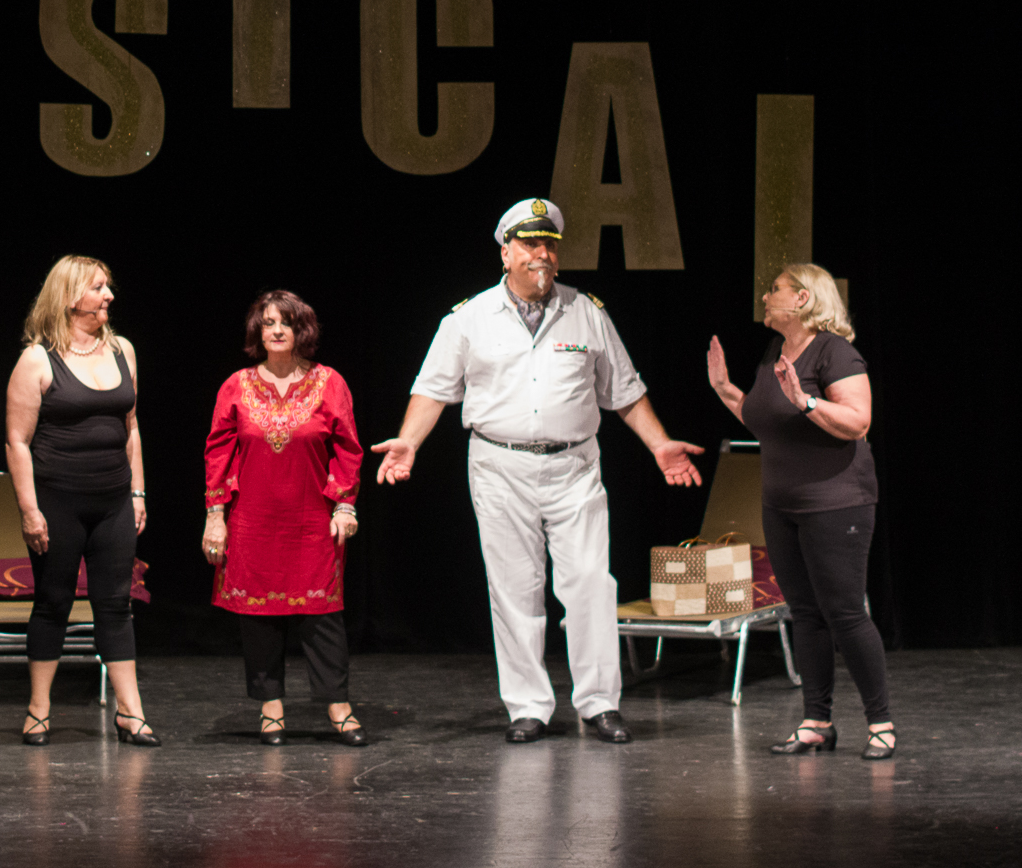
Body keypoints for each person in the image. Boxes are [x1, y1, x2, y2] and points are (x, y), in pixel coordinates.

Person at [372, 198, 703, 745]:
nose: (542, 253)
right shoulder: (468, 318)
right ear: (505, 253)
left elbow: (624, 391)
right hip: (499, 465)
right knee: (514, 588)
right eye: (529, 244)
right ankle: (528, 706)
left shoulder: (586, 311)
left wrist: (660, 444)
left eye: (549, 244)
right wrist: (409, 441)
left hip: (574, 465)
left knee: (591, 583)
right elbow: (432, 389)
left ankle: (599, 703)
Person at [707, 264, 893, 759]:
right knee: (805, 613)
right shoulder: (776, 351)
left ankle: (881, 723)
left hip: (836, 503)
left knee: (845, 613)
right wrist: (725, 389)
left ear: (804, 299)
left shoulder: (835, 352)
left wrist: (807, 401)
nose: (766, 297)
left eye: (776, 290)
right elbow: (766, 420)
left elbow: (858, 421)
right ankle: (816, 722)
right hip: (781, 504)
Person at [4, 255, 157, 746]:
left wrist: (137, 491)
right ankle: (38, 709)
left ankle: (130, 712)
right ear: (70, 297)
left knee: (115, 604)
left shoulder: (122, 350)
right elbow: (17, 441)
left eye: (107, 286)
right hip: (57, 502)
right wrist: (29, 510)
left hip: (114, 501)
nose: (109, 295)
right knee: (53, 602)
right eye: (98, 287)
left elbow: (131, 427)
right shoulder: (37, 359)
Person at [203, 290, 367, 746]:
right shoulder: (236, 386)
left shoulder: (328, 382)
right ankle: (270, 707)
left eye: (286, 323)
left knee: (322, 615)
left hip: (311, 521)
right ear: (258, 331)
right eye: (269, 323)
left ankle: (338, 707)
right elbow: (217, 453)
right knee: (259, 618)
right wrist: (215, 515)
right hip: (252, 521)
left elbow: (348, 448)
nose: (277, 331)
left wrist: (345, 504)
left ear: (301, 330)